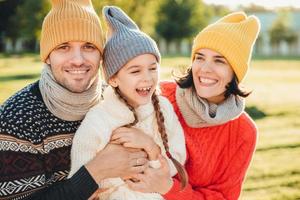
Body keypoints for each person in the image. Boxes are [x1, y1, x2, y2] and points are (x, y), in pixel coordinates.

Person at [0, 1, 148, 199]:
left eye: (89, 46)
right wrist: (95, 172)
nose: (78, 59)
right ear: (47, 57)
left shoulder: (118, 103)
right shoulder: (16, 120)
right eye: (64, 47)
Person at [126, 12, 260, 200]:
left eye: (219, 61)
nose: (205, 68)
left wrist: (167, 187)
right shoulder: (160, 94)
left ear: (235, 72)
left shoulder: (243, 132)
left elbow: (222, 197)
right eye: (199, 57)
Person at [68, 6, 187, 200]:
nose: (147, 78)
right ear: (113, 79)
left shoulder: (163, 108)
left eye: (152, 68)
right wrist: (116, 177)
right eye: (135, 71)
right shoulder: (99, 120)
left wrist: (150, 147)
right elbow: (81, 181)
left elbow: (177, 158)